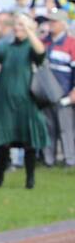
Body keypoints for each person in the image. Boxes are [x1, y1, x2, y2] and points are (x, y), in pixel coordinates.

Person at [0, 13, 49, 188]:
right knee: (3, 142)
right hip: (5, 102)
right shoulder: (7, 47)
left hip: (26, 101)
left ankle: (30, 179)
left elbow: (40, 52)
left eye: (22, 26)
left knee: (29, 142)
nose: (18, 29)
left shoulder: (31, 47)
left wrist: (29, 30)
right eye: (16, 25)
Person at [42, 9, 75, 167]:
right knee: (49, 128)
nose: (51, 24)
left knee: (66, 128)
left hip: (64, 93)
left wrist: (73, 92)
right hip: (45, 93)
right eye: (50, 21)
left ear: (63, 24)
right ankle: (49, 160)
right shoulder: (44, 42)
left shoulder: (71, 43)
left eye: (54, 22)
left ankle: (70, 160)